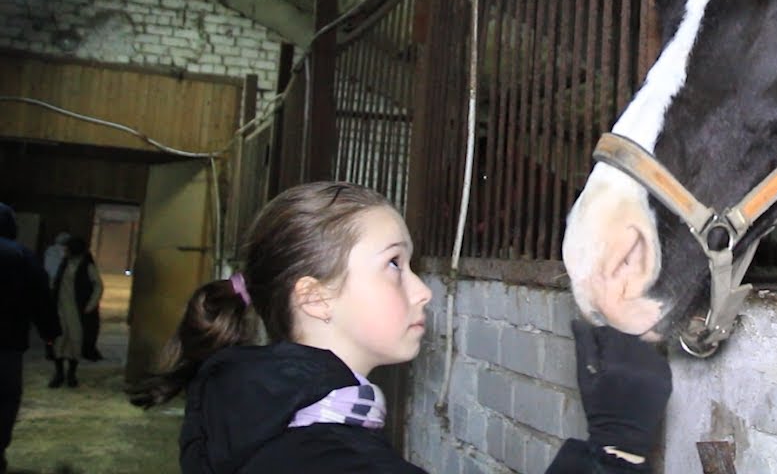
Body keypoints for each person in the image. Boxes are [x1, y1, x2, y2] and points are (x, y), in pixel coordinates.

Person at [128, 182, 671, 474]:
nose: (422, 290)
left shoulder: (255, 412)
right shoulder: (326, 457)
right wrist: (616, 446)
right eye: (394, 265)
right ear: (315, 297)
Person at [0, 203, 62, 474]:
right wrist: (51, 335)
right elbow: (41, 300)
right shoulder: (21, 256)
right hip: (7, 344)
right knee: (4, 400)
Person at [48, 236, 105, 388]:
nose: (65, 251)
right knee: (59, 341)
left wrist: (91, 305)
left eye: (67, 248)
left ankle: (71, 374)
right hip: (61, 309)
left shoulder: (87, 266)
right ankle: (59, 373)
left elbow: (98, 286)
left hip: (77, 311)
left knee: (75, 342)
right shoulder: (64, 263)